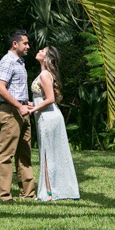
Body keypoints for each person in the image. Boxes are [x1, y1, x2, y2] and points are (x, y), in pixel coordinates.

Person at [29, 46, 80, 201]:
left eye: (42, 51)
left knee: (47, 153)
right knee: (46, 152)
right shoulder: (43, 74)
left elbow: (50, 99)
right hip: (44, 115)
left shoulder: (45, 75)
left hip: (49, 117)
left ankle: (49, 192)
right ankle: (51, 189)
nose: (38, 52)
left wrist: (33, 109)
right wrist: (34, 105)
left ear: (47, 57)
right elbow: (42, 97)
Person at [0, 29, 35, 201]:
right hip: (12, 112)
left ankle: (28, 192)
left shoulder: (19, 62)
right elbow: (0, 87)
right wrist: (19, 105)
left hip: (23, 111)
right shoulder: (7, 61)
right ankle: (3, 194)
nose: (28, 46)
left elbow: (15, 89)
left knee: (25, 154)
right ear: (15, 44)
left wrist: (26, 103)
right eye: (25, 43)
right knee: (6, 153)